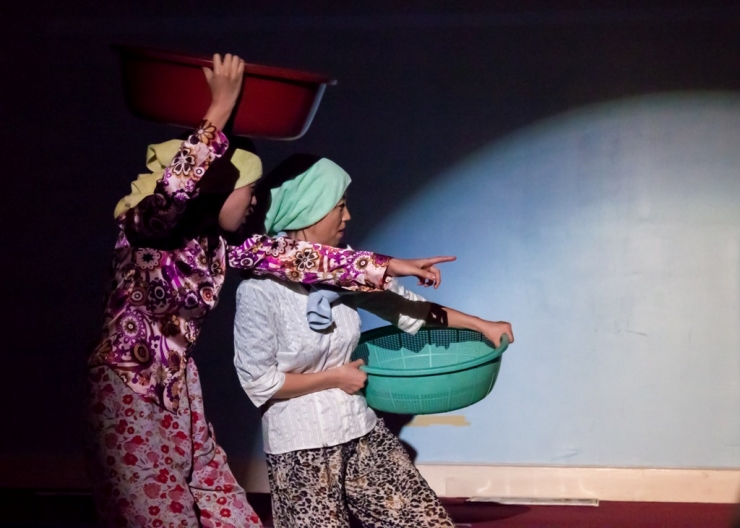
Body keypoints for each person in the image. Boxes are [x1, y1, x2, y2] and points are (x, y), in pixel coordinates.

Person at [86, 53, 455, 528]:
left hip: (178, 385)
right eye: (250, 190)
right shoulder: (145, 229)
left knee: (230, 511)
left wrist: (388, 266)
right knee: (157, 514)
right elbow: (172, 193)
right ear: (217, 188)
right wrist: (219, 109)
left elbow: (302, 258)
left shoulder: (221, 246)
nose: (257, 202)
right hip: (127, 385)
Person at [233, 154, 514, 528]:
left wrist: (482, 325)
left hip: (358, 428)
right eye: (339, 206)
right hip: (301, 450)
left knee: (426, 523)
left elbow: (408, 309)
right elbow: (259, 381)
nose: (347, 216)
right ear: (307, 211)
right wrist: (333, 378)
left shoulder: (347, 272)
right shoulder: (259, 291)